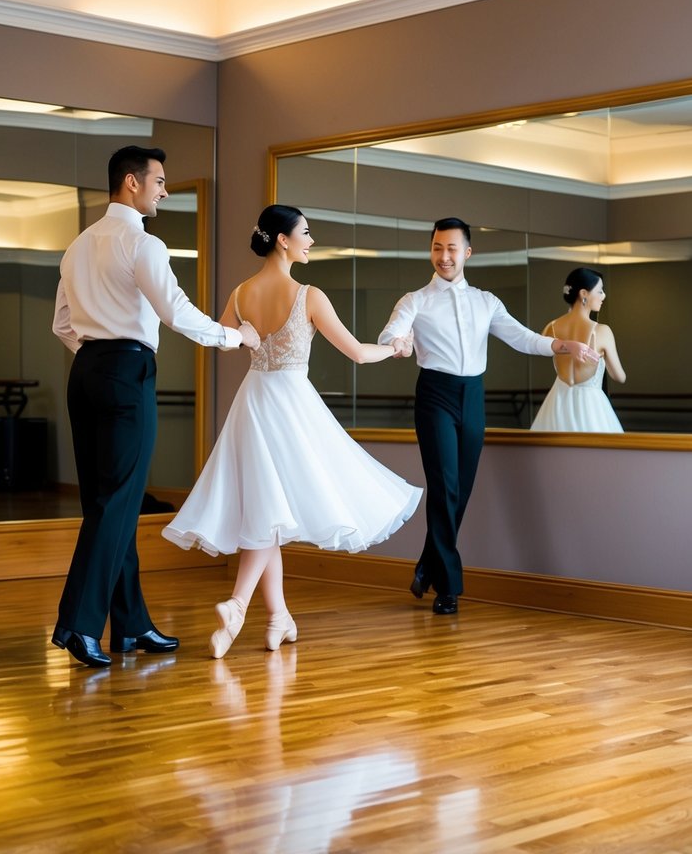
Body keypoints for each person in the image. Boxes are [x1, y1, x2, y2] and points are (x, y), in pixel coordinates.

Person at [162, 205, 422, 658]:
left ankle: (278, 618)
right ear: (283, 240)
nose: (311, 240)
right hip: (291, 404)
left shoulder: (242, 292)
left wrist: (246, 331)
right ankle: (239, 604)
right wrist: (396, 349)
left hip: (253, 401)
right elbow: (358, 354)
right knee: (271, 512)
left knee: (270, 512)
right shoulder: (308, 295)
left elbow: (224, 340)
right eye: (306, 233)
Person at [50, 145, 260, 669]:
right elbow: (176, 311)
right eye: (160, 181)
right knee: (117, 502)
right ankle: (78, 625)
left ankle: (131, 623)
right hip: (125, 372)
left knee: (108, 499)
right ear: (131, 182)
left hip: (86, 372)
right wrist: (233, 337)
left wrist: (98, 354)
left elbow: (61, 325)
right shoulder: (142, 243)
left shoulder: (77, 245)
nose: (165, 190)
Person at [377, 216, 599, 617]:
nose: (444, 256)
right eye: (437, 248)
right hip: (435, 395)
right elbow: (390, 333)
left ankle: (429, 562)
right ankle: (449, 588)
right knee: (443, 486)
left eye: (452, 248)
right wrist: (399, 343)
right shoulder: (415, 300)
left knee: (458, 490)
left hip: (473, 395)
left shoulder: (487, 301)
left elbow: (522, 338)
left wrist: (564, 344)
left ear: (467, 252)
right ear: (431, 250)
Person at [530, 267, 626, 432]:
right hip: (591, 407)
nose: (603, 296)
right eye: (600, 291)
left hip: (557, 404)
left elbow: (538, 348)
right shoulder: (602, 331)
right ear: (584, 294)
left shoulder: (551, 327)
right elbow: (619, 376)